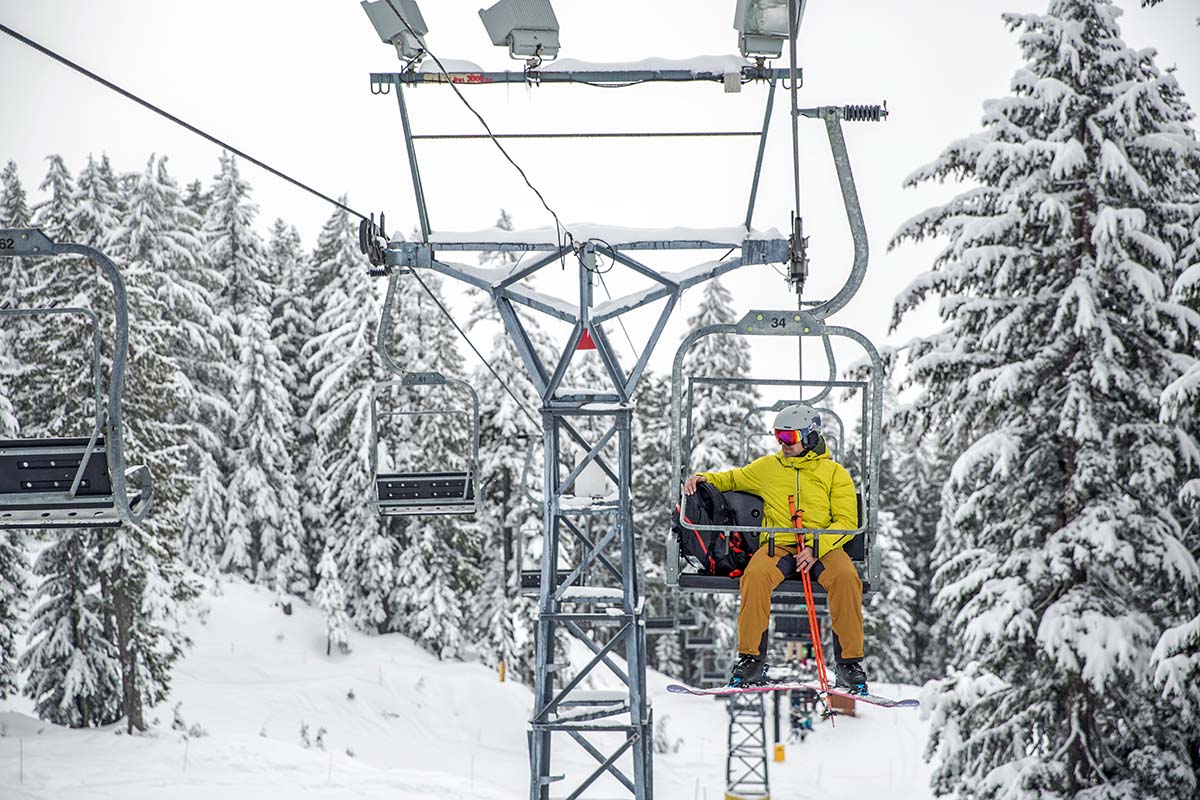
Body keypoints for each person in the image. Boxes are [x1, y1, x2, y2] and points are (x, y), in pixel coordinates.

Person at [683, 404, 867, 693]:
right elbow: (732, 478)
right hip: (779, 545)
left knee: (846, 578)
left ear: (809, 436)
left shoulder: (834, 474)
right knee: (755, 575)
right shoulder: (768, 468)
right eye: (779, 436)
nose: (783, 444)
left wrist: (816, 547)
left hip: (824, 546)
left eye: (789, 437)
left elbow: (846, 520)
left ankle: (848, 665)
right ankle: (751, 660)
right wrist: (703, 478)